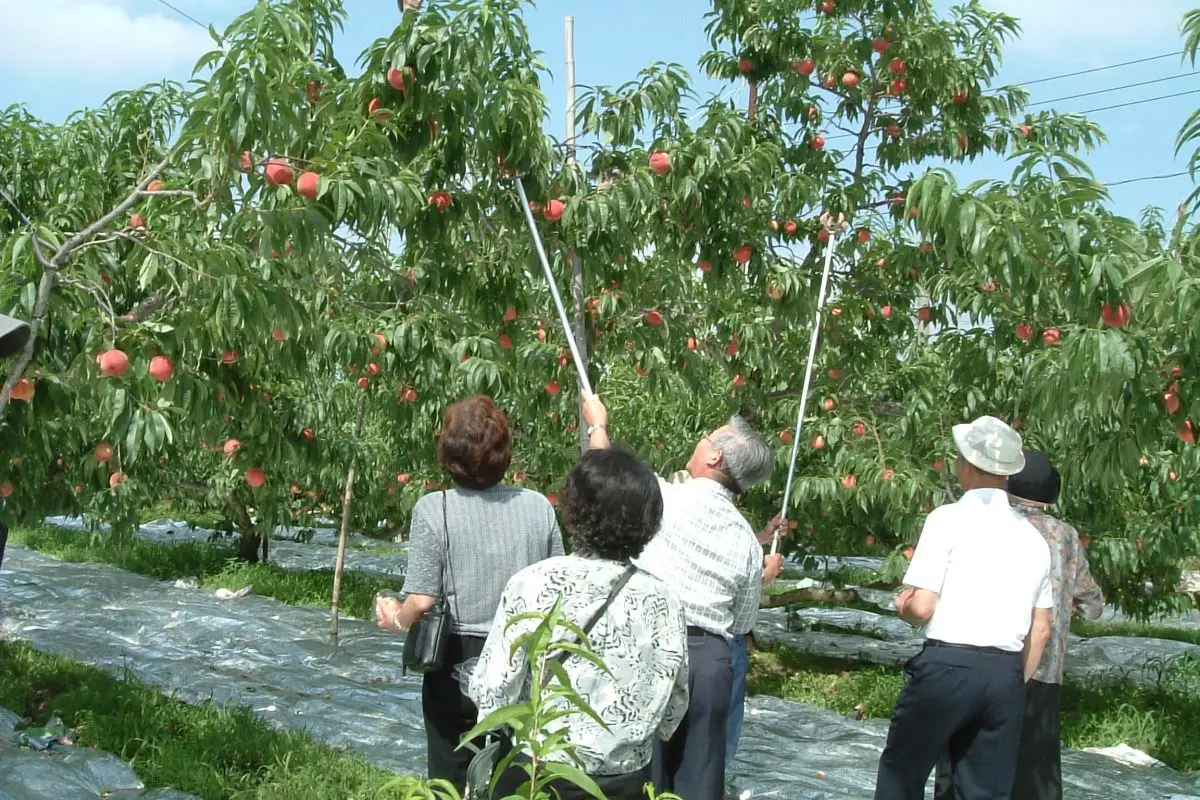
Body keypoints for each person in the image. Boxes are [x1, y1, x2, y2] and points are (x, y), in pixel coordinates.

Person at [581, 392, 783, 800]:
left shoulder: (665, 499)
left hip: (653, 646)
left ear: (716, 459)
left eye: (709, 438)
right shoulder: (746, 538)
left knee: (641, 765)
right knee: (698, 774)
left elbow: (608, 477)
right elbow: (742, 623)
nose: (701, 440)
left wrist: (597, 423)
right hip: (711, 660)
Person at [469, 447, 689, 799]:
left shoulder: (534, 583)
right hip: (623, 779)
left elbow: (495, 689)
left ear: (574, 508)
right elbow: (674, 702)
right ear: (649, 522)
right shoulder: (664, 599)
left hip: (539, 771)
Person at [375, 395, 565, 791]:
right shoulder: (538, 508)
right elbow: (557, 584)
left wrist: (395, 617)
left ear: (448, 453)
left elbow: (422, 600)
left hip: (458, 662)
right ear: (504, 452)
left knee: (450, 771)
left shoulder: (435, 508)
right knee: (516, 771)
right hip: (523, 658)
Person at [874, 415, 1053, 800]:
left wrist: (903, 606)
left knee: (902, 774)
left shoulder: (947, 520)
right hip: (1004, 673)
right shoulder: (1034, 539)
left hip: (948, 667)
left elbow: (922, 607)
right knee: (984, 790)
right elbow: (1041, 629)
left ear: (968, 465)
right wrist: (1010, 682)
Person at [934, 451, 1104, 800]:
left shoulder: (993, 523)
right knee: (1033, 769)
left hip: (984, 659)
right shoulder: (1065, 537)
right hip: (1041, 669)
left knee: (964, 759)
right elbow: (1093, 602)